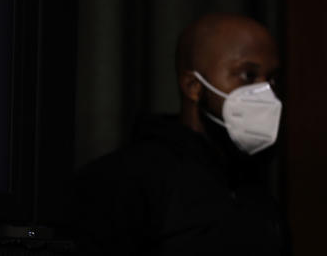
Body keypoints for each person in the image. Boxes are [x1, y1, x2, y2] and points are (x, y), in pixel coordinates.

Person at [73, 13, 286, 254]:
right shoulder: (122, 182)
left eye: (272, 80)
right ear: (193, 86)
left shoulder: (253, 187)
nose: (266, 93)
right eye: (248, 75)